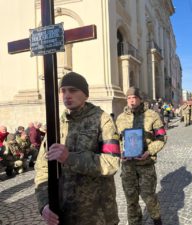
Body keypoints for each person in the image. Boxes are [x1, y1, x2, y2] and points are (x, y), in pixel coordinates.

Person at [34, 72, 121, 225]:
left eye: (73, 90)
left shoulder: (102, 119)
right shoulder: (57, 123)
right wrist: (44, 204)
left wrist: (70, 158)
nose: (67, 95)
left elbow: (111, 162)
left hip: (97, 215)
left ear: (85, 94)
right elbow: (42, 167)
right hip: (64, 214)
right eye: (63, 90)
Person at [116, 87, 167, 225]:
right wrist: (121, 153)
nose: (132, 101)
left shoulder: (152, 115)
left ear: (140, 99)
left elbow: (162, 137)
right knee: (131, 200)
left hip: (146, 165)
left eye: (134, 98)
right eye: (129, 98)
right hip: (128, 167)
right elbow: (117, 140)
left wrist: (149, 151)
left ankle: (157, 219)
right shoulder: (120, 118)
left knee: (149, 197)